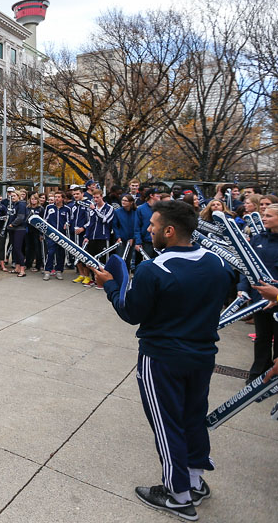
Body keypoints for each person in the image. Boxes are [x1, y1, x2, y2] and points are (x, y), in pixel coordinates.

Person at [95, 200, 234, 520]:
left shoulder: (153, 268)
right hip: (202, 356)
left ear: (169, 231)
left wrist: (110, 285)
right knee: (192, 419)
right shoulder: (216, 262)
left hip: (162, 359)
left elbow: (130, 312)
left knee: (167, 425)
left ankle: (178, 495)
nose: (148, 229)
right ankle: (195, 481)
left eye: (153, 225)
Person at [238, 203, 278, 382]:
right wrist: (242, 287)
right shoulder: (258, 239)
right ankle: (257, 375)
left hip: (277, 299)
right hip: (259, 299)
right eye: (264, 215)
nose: (263, 218)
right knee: (262, 338)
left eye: (269, 215)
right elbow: (247, 267)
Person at [84, 189, 114, 286]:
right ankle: (94, 279)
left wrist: (95, 210)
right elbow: (90, 223)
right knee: (92, 259)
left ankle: (104, 280)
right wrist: (87, 236)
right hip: (92, 237)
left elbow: (105, 220)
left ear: (102, 196)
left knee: (103, 259)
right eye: (94, 198)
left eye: (97, 197)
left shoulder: (109, 208)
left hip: (103, 237)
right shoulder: (92, 208)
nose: (95, 199)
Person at [42, 191, 71, 281]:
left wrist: (67, 224)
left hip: (62, 235)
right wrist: (43, 232)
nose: (57, 199)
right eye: (55, 197)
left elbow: (70, 220)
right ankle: (47, 271)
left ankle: (59, 271)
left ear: (63, 198)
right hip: (51, 234)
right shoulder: (49, 207)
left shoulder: (67, 209)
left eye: (59, 197)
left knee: (61, 253)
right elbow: (44, 220)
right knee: (50, 252)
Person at [6, 189, 29, 277]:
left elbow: (20, 217)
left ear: (18, 196)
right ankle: (17, 268)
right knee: (15, 249)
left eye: (14, 196)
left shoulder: (21, 204)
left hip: (19, 229)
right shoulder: (14, 205)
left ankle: (22, 270)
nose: (12, 197)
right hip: (13, 229)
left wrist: (12, 224)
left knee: (18, 249)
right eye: (11, 196)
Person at [135, 188, 158, 261]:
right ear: (151, 195)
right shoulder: (141, 209)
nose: (159, 197)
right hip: (146, 241)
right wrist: (138, 242)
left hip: (158, 241)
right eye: (157, 195)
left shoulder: (160, 209)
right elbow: (137, 227)